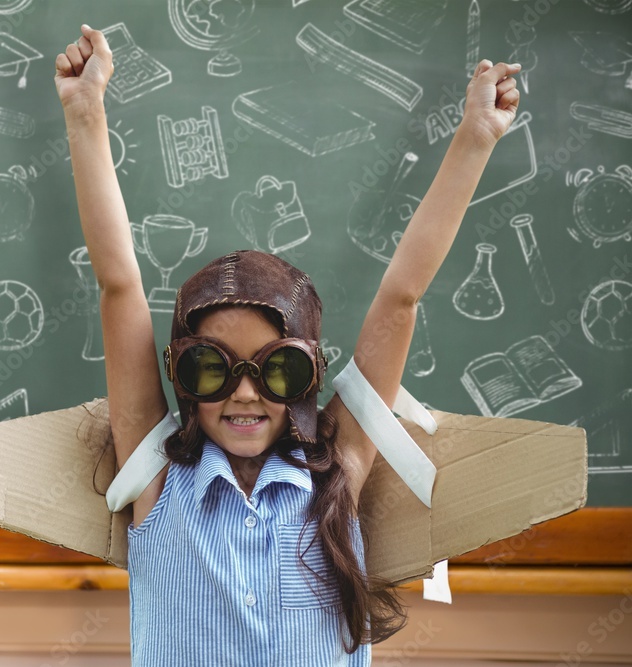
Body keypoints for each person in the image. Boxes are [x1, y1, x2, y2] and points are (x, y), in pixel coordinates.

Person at [55, 23, 522, 665]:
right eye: (211, 369)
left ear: (307, 376)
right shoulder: (156, 480)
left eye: (275, 371)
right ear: (180, 373)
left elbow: (401, 297)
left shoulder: (333, 478)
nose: (244, 394)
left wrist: (475, 139)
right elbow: (119, 285)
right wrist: (85, 113)